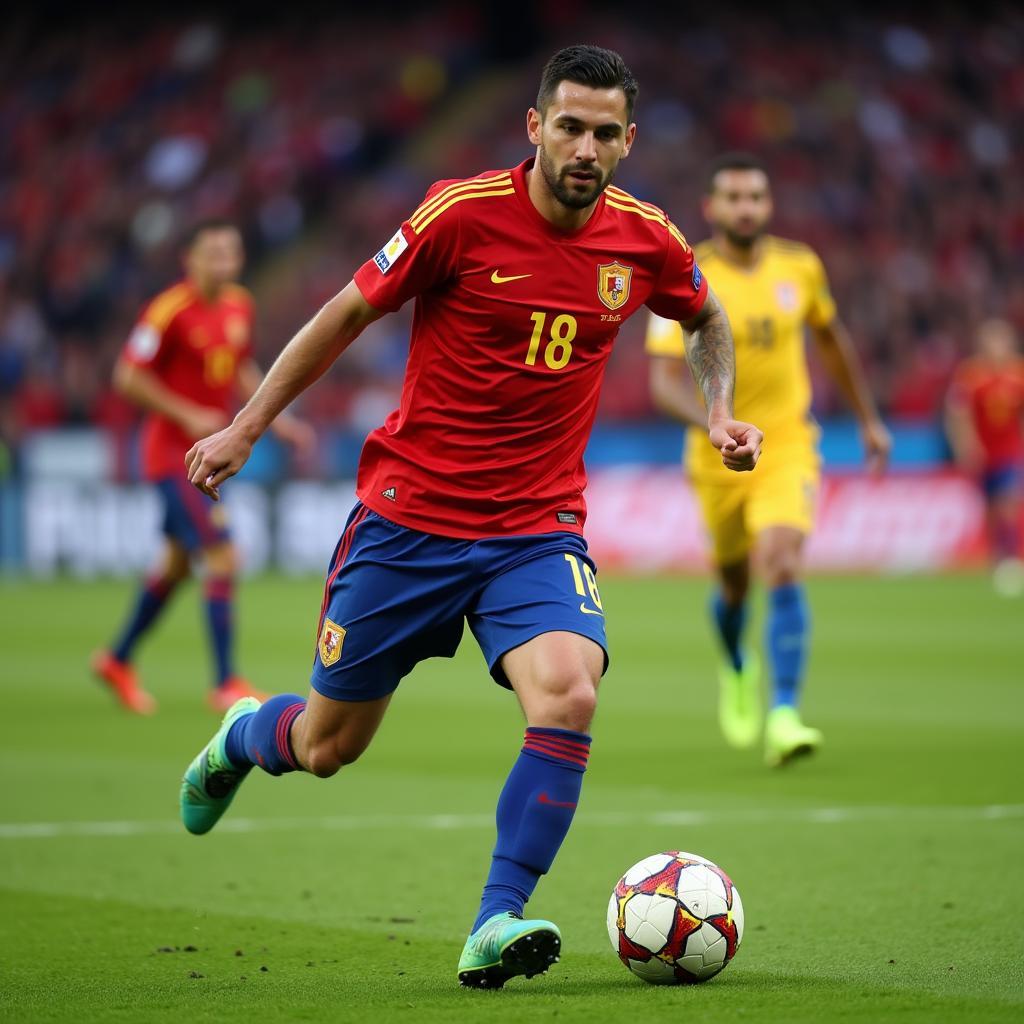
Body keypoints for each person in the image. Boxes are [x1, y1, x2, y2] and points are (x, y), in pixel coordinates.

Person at [177, 46, 761, 989]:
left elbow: (705, 317)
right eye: (568, 126)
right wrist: (248, 426)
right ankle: (245, 736)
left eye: (605, 132)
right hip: (409, 523)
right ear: (534, 127)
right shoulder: (459, 214)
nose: (585, 146)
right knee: (327, 748)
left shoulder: (644, 237)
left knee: (570, 691)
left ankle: (497, 918)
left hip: (534, 530)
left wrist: (722, 407)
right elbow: (342, 314)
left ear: (628, 142)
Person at [646, 152, 891, 767]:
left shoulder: (799, 267)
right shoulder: (686, 269)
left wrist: (867, 419)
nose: (745, 208)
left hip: (785, 444)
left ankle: (784, 713)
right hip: (715, 455)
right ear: (711, 207)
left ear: (769, 204)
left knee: (780, 560)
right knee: (733, 585)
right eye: (732, 197)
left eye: (755, 196)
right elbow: (663, 380)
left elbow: (832, 341)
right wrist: (713, 422)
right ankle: (736, 665)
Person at [92, 219, 313, 715]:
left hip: (208, 457)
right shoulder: (168, 310)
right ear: (189, 259)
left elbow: (237, 367)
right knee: (222, 557)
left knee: (173, 566)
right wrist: (186, 413)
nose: (223, 261)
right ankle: (225, 682)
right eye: (212, 253)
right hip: (172, 458)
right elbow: (128, 376)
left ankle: (117, 658)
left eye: (230, 252)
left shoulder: (239, 305)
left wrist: (277, 421)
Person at [946, 318, 1024, 596]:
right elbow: (958, 413)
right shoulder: (971, 375)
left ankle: (1012, 558)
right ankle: (997, 559)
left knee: (1008, 502)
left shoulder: (1018, 372)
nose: (996, 347)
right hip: (983, 453)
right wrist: (966, 444)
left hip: (1010, 451)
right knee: (991, 508)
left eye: (1000, 340)